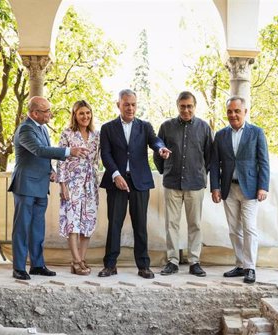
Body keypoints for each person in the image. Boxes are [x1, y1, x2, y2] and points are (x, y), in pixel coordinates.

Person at [8, 96, 86, 280]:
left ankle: (37, 265)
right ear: (35, 113)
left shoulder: (42, 128)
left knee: (37, 228)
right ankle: (19, 267)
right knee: (22, 228)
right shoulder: (26, 129)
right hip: (25, 185)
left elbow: (42, 155)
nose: (50, 114)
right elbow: (38, 150)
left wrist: (50, 170)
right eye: (47, 111)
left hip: (41, 185)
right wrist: (69, 151)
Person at [98, 89, 172, 279]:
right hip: (117, 182)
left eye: (133, 104)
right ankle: (110, 265)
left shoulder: (145, 126)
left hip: (140, 182)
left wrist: (161, 148)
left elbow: (154, 141)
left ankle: (143, 266)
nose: (130, 108)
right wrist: (115, 174)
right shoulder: (107, 128)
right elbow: (105, 154)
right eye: (126, 104)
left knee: (140, 224)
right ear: (118, 105)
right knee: (114, 224)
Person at [209, 96, 269, 284]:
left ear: (245, 112)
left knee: (249, 228)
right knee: (234, 230)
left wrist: (263, 186)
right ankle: (240, 264)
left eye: (237, 111)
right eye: (229, 111)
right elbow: (214, 164)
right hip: (229, 188)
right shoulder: (220, 135)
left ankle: (250, 267)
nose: (233, 114)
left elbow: (264, 161)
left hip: (250, 188)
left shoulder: (256, 132)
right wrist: (215, 187)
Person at [154, 91, 213, 277]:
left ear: (194, 107)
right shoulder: (166, 127)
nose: (186, 110)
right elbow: (158, 152)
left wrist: (201, 174)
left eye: (189, 106)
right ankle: (172, 261)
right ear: (177, 106)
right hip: (172, 182)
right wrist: (166, 169)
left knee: (194, 223)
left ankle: (194, 261)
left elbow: (209, 157)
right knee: (171, 223)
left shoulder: (204, 127)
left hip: (195, 184)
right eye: (182, 106)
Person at [56, 100, 100, 276]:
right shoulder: (67, 133)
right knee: (73, 223)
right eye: (81, 113)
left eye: (88, 113)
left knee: (87, 223)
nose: (85, 116)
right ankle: (75, 261)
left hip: (90, 185)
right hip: (72, 183)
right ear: (74, 115)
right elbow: (60, 160)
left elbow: (97, 160)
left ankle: (81, 259)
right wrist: (63, 185)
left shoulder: (96, 135)